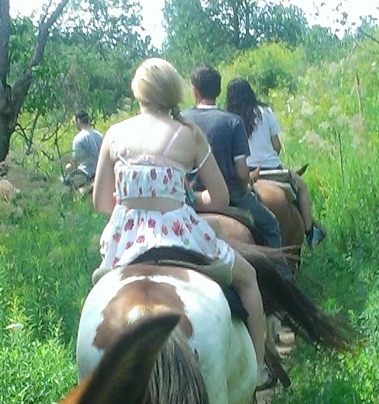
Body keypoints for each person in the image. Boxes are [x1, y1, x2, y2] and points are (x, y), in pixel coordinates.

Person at [93, 59, 269, 381]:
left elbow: (102, 202)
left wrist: (134, 197)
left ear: (138, 91)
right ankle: (256, 371)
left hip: (125, 243)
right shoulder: (189, 135)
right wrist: (188, 197)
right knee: (248, 279)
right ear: (174, 92)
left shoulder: (114, 134)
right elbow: (220, 199)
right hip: (179, 236)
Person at [182, 65, 285, 255]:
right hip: (231, 195)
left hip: (189, 197)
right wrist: (247, 182)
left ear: (194, 90)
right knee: (271, 225)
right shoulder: (232, 121)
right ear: (219, 91)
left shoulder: (182, 121)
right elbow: (241, 173)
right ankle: (283, 276)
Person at [225, 77, 326, 247]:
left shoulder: (228, 118)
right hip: (271, 168)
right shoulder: (265, 112)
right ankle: (310, 232)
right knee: (301, 188)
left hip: (243, 172)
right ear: (250, 93)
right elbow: (276, 146)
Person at [64, 111, 103, 189]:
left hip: (86, 173)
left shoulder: (78, 138)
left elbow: (75, 162)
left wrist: (68, 167)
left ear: (78, 121)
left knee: (65, 184)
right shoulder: (99, 135)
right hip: (99, 172)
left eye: (74, 121)